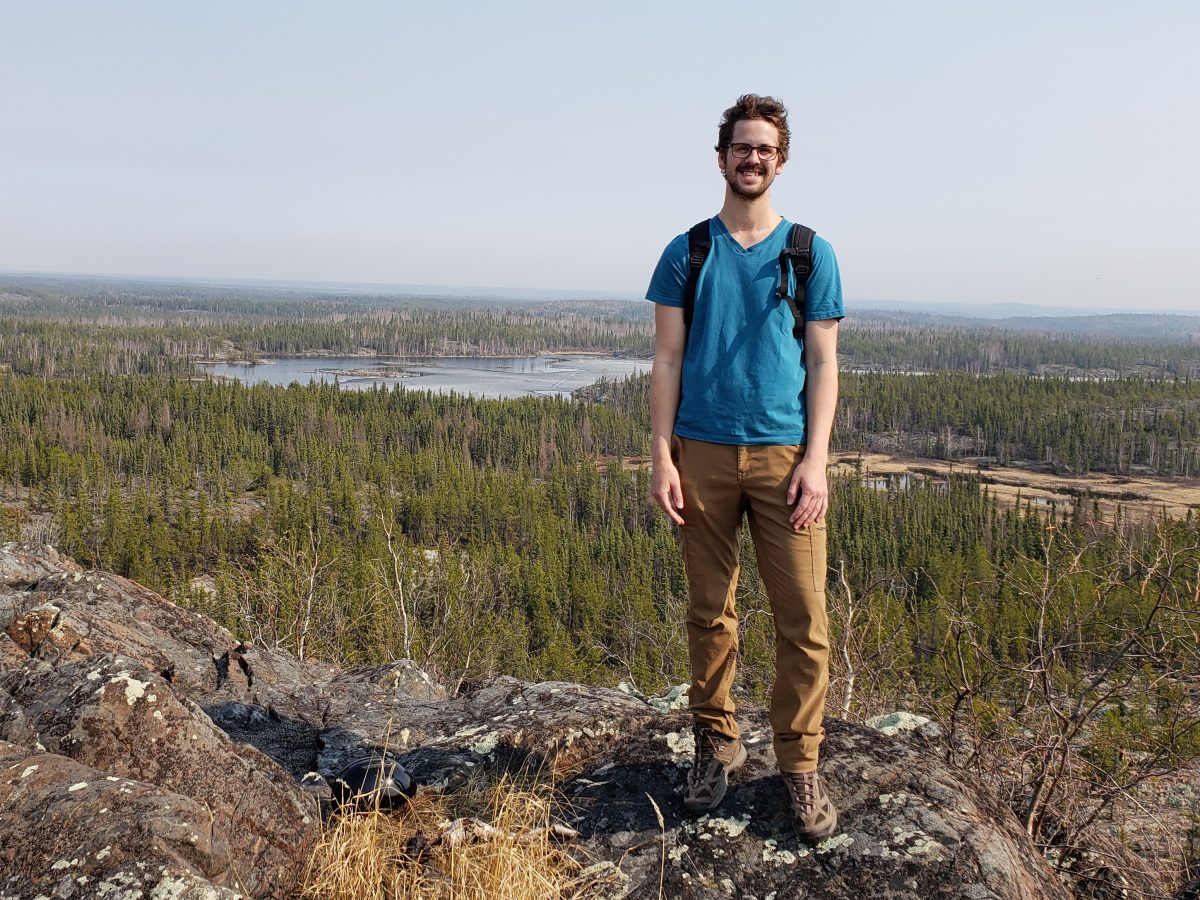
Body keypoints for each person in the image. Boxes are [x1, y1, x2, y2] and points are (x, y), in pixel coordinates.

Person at [646, 94, 844, 841]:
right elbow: (666, 359)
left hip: (786, 458)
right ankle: (714, 747)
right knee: (710, 613)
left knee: (804, 620)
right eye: (741, 148)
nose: (752, 159)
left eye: (765, 149)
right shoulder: (687, 251)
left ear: (779, 160)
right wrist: (661, 453)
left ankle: (799, 767)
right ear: (722, 157)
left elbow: (823, 362)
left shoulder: (809, 252)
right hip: (700, 453)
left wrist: (817, 460)